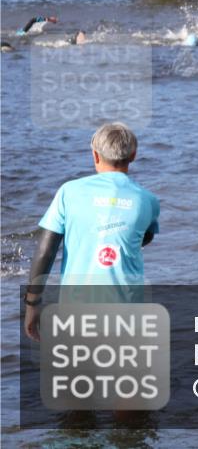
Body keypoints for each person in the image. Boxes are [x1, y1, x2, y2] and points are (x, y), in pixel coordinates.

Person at [23, 122, 160, 340]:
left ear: (95, 155)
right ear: (133, 156)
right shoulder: (148, 200)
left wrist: (32, 303)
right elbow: (143, 238)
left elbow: (45, 252)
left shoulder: (68, 192)